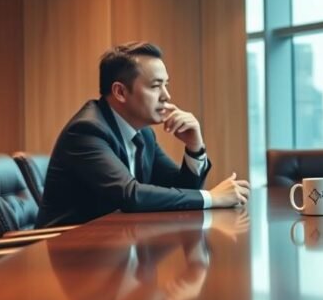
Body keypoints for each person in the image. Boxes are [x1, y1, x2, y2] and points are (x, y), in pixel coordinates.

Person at [37, 41, 249, 227]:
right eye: (156, 86)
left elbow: (180, 189)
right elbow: (131, 195)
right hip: (69, 252)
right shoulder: (87, 131)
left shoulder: (144, 134)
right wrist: (212, 198)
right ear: (120, 91)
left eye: (166, 85)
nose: (167, 95)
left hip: (115, 247)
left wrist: (195, 148)